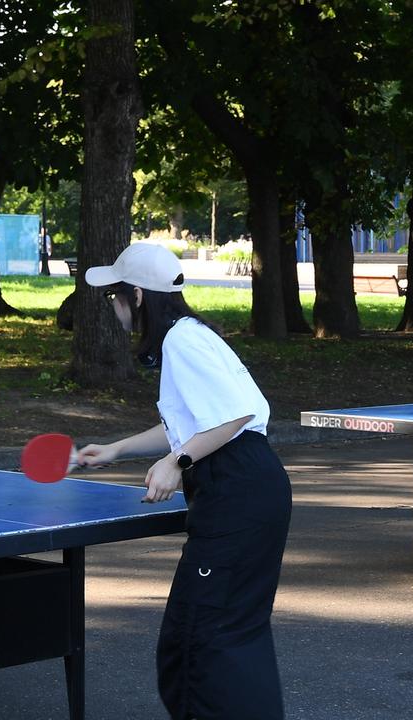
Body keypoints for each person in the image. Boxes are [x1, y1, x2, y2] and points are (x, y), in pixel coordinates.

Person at [76, 242, 292, 720]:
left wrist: (179, 461)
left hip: (238, 490)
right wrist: (117, 449)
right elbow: (193, 420)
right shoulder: (189, 334)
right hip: (253, 487)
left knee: (198, 640)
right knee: (228, 633)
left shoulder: (182, 341)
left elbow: (235, 416)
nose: (111, 306)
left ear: (135, 296)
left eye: (112, 296)